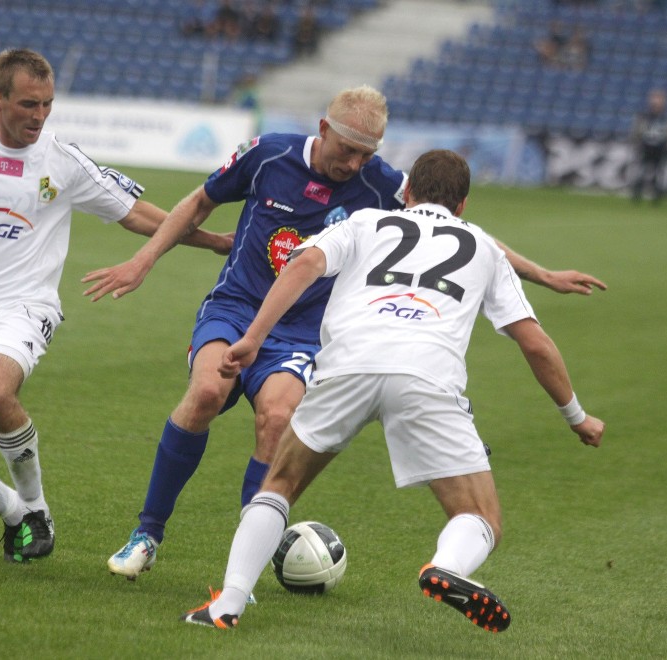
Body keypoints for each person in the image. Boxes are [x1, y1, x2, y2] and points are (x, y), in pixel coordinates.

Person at [83, 86, 606, 582]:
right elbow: (198, 203)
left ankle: (247, 560)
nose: (354, 164)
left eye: (366, 154)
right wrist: (143, 261)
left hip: (305, 331)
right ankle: (147, 534)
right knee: (204, 395)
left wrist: (542, 275)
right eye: (348, 150)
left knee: (278, 418)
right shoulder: (268, 154)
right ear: (323, 128)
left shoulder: (381, 181)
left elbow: (454, 230)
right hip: (238, 306)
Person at [181, 149, 605, 630]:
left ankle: (228, 604)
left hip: (348, 365)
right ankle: (446, 568)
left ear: (406, 193)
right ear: (462, 205)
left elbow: (303, 266)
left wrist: (254, 337)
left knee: (279, 485)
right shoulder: (483, 247)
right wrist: (577, 417)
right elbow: (536, 344)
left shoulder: (366, 222)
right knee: (479, 515)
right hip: (427, 376)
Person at [0, 48, 231, 564]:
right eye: (29, 104)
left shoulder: (63, 159)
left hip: (24, 307)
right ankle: (15, 512)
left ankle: (35, 507)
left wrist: (212, 242)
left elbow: (135, 214)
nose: (39, 116)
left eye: (48, 104)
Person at [630, 88, 667, 203]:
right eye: (654, 98)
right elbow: (637, 130)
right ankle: (637, 192)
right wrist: (636, 141)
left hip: (660, 147)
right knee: (641, 170)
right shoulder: (644, 116)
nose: (656, 101)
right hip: (646, 146)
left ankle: (657, 195)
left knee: (659, 172)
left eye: (659, 99)